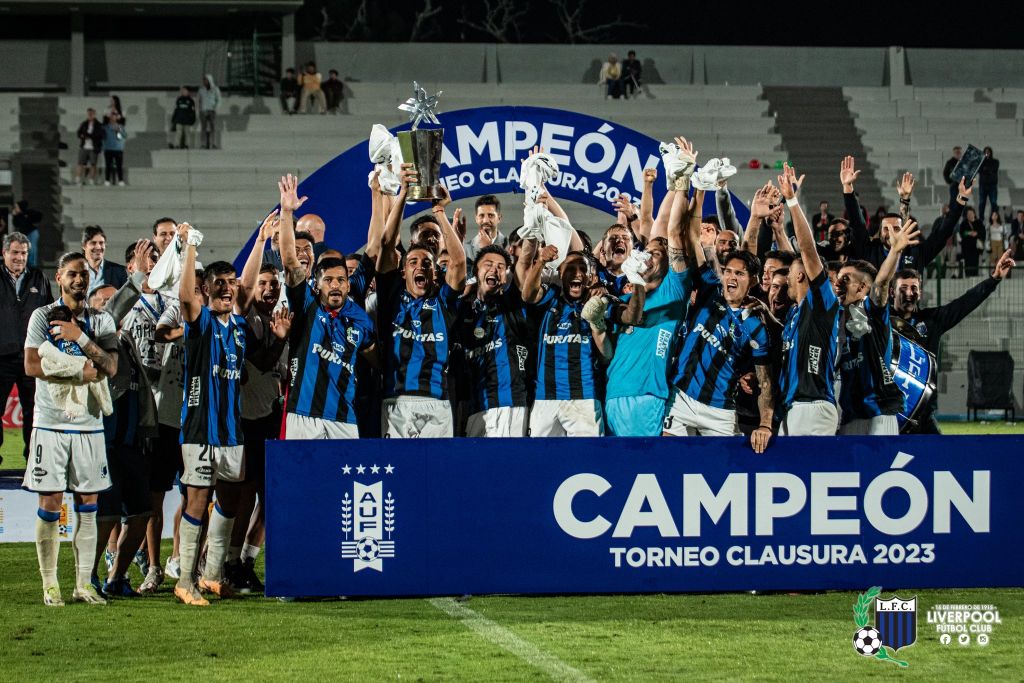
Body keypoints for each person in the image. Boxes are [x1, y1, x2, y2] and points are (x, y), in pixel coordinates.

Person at [23, 251, 120, 606]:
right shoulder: (41, 316)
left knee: (89, 504)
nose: (80, 280)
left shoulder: (102, 321)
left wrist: (80, 339)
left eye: (84, 275)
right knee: (50, 503)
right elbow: (32, 365)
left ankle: (83, 584)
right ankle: (50, 584)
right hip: (49, 422)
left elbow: (110, 367)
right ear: (59, 277)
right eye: (73, 274)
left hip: (90, 425)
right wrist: (78, 372)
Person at [173, 228, 257, 606]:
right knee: (196, 501)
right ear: (206, 290)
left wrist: (261, 241)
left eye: (230, 283)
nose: (227, 289)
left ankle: (212, 574)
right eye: (218, 284)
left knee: (230, 501)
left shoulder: (239, 327)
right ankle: (185, 580)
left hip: (231, 431)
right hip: (200, 430)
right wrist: (191, 247)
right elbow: (184, 296)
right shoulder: (200, 321)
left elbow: (250, 286)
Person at [596, 137, 697, 436]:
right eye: (647, 252)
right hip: (612, 395)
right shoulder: (627, 294)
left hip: (647, 397)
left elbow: (674, 232)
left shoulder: (674, 291)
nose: (648, 256)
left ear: (667, 265)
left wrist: (682, 182)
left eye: (656, 254)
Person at [274, 176, 376, 439]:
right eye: (328, 280)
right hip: (302, 416)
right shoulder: (307, 304)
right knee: (302, 481)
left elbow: (374, 247)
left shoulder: (360, 319)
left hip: (344, 418)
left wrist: (378, 194)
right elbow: (288, 259)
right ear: (316, 285)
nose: (335, 285)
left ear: (348, 285)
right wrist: (287, 212)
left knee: (343, 481)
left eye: (341, 280)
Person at [376, 166, 466, 438]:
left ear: (435, 272)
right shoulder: (391, 298)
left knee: (439, 476)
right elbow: (386, 242)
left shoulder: (443, 302)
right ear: (403, 271)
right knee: (399, 474)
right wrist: (403, 192)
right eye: (413, 262)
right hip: (396, 399)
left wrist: (440, 212)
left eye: (427, 263)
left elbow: (459, 261)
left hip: (437, 399)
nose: (420, 267)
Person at [663, 237, 775, 452]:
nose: (731, 277)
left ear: (753, 281)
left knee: (722, 475)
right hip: (681, 398)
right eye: (728, 271)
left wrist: (765, 425)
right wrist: (697, 205)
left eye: (739, 274)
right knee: (668, 459)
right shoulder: (710, 289)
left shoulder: (757, 327)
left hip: (720, 410)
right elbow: (692, 240)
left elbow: (765, 381)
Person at [889, 250, 1015, 434]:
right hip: (890, 414)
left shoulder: (932, 320)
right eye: (903, 288)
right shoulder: (881, 321)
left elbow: (965, 303)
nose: (909, 293)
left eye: (914, 288)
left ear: (920, 292)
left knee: (941, 459)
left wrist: (994, 279)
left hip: (923, 413)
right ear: (892, 291)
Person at [836, 219, 918, 436]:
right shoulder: (835, 315)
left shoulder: (872, 311)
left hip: (879, 413)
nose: (838, 284)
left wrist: (895, 251)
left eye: (846, 279)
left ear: (862, 287)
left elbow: (881, 284)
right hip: (850, 414)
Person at [776, 163, 842, 436]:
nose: (785, 279)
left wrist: (792, 200)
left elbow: (806, 250)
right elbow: (795, 256)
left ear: (802, 275)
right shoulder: (796, 312)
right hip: (792, 407)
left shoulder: (822, 304)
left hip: (814, 406)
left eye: (789, 274)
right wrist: (778, 228)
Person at [521, 249, 607, 436]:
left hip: (584, 398)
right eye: (570, 268)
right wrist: (541, 261)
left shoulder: (598, 303)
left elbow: (606, 354)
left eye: (582, 268)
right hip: (545, 397)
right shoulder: (550, 297)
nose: (577, 273)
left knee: (586, 462)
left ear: (591, 276)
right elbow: (527, 295)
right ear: (560, 273)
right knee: (543, 462)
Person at [457, 243, 532, 437]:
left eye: (501, 267)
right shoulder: (463, 311)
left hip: (509, 405)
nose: (494, 270)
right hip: (475, 408)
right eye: (488, 264)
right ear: (476, 271)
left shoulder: (513, 303)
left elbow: (523, 263)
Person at [842, 160, 968, 273]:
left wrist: (961, 198)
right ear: (879, 233)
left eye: (896, 228)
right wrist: (848, 189)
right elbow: (857, 223)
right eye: (886, 229)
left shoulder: (917, 253)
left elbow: (943, 232)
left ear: (904, 231)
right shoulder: (869, 252)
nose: (891, 232)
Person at [0, 232, 52, 466]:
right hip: (2, 358)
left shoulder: (38, 277)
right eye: (15, 252)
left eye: (23, 253)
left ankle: (33, 463)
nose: (19, 257)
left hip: (32, 358)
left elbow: (49, 314)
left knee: (35, 414)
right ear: (4, 253)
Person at [81, 225, 127, 295]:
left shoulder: (119, 271)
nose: (98, 247)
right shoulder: (76, 271)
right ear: (84, 246)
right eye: (93, 243)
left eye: (101, 243)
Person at [464, 195, 505, 262]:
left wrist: (487, 248)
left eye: (491, 215)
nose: (486, 220)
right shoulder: (466, 249)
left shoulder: (510, 245)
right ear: (476, 219)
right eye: (481, 215)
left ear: (499, 218)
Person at [74, 108, 104, 186]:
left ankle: (91, 180)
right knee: (80, 163)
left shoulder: (99, 125)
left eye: (91, 114)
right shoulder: (84, 123)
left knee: (93, 164)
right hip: (84, 147)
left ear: (94, 114)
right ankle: (78, 179)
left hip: (93, 147)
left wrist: (89, 136)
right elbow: (78, 133)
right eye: (89, 114)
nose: (90, 115)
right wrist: (82, 136)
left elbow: (100, 135)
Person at [102, 96, 126, 186]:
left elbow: (121, 137)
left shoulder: (120, 127)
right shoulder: (105, 127)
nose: (113, 117)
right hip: (108, 148)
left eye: (115, 115)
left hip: (118, 149)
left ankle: (120, 180)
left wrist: (117, 131)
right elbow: (103, 137)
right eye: (111, 115)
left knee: (119, 165)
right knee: (108, 165)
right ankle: (107, 180)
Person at [11, 200, 42, 266]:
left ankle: (33, 267)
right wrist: (14, 216)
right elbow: (16, 224)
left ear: (20, 207)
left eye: (16, 207)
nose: (15, 208)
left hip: (32, 233)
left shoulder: (28, 213)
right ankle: (27, 266)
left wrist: (29, 214)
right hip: (25, 236)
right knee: (26, 250)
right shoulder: (18, 216)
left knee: (32, 250)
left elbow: (39, 216)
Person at [197, 74, 221, 149]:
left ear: (210, 80)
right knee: (203, 128)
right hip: (203, 111)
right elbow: (198, 100)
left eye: (206, 80)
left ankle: (213, 143)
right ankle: (203, 144)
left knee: (213, 127)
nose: (204, 81)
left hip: (212, 110)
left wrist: (216, 108)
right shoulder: (201, 90)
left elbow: (219, 99)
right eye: (204, 80)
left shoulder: (215, 89)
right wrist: (199, 109)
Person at [959, 206, 984, 277]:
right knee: (968, 263)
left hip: (976, 248)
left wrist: (977, 233)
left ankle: (975, 276)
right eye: (968, 214)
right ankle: (968, 276)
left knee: (975, 263)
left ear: (974, 214)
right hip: (966, 248)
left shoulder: (979, 222)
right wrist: (969, 233)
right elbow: (961, 233)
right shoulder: (963, 224)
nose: (970, 215)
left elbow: (982, 232)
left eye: (971, 213)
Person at [977, 146, 999, 221]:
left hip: (992, 185)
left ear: (991, 153)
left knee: (993, 203)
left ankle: (994, 219)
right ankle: (981, 219)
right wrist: (987, 169)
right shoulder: (981, 162)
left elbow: (993, 169)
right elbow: (979, 170)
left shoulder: (995, 161)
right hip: (983, 185)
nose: (987, 153)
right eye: (985, 152)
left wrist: (985, 169)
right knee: (982, 203)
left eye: (988, 152)